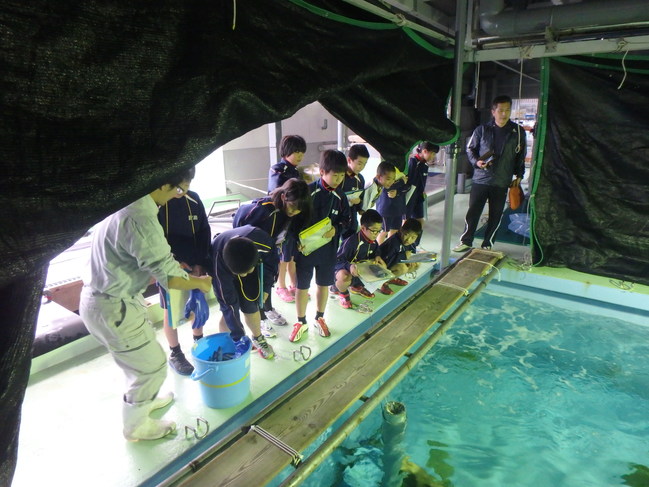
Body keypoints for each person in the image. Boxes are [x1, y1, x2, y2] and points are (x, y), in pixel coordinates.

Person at [79, 167, 213, 442]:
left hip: (110, 300)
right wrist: (200, 283)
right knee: (151, 366)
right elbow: (172, 278)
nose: (179, 197)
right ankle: (136, 427)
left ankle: (143, 401)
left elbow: (152, 258)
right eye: (178, 190)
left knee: (137, 363)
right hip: (113, 306)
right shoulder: (140, 216)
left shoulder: (130, 201)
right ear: (164, 182)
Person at [232, 178, 311, 337]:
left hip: (270, 253)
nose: (294, 212)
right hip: (251, 254)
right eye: (293, 206)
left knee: (267, 285)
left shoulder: (288, 212)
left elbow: (286, 232)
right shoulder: (262, 211)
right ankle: (259, 320)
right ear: (284, 197)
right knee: (255, 288)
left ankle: (267, 310)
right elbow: (239, 229)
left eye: (298, 210)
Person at [290, 149, 351, 342]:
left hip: (328, 250)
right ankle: (300, 321)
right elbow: (293, 220)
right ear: (322, 171)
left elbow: (347, 221)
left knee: (323, 284)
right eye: (335, 175)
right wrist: (295, 243)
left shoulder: (341, 196)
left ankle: (320, 317)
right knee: (302, 286)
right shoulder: (308, 192)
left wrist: (337, 228)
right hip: (306, 251)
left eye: (342, 175)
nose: (338, 179)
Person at [453, 95, 526, 252]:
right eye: (500, 110)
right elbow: (470, 149)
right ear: (493, 112)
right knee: (473, 212)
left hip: (502, 180)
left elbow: (520, 155)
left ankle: (488, 243)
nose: (504, 114)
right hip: (481, 179)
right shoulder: (482, 130)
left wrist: (519, 175)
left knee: (496, 214)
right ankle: (466, 241)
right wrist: (477, 162)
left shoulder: (518, 132)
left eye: (507, 110)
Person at [157, 189, 211, 376]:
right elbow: (157, 240)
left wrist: (200, 262)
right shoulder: (160, 203)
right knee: (170, 309)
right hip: (170, 265)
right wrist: (174, 262)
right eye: (179, 185)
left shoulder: (194, 198)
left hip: (195, 263)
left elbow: (204, 230)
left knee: (197, 303)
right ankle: (175, 353)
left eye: (187, 183)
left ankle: (199, 342)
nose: (183, 189)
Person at [210, 225, 278, 359]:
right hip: (223, 270)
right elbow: (228, 303)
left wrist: (266, 288)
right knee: (229, 310)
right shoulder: (218, 261)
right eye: (240, 274)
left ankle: (258, 338)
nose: (244, 276)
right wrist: (239, 337)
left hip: (247, 259)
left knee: (251, 304)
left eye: (247, 271)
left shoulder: (264, 243)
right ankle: (230, 343)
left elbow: (272, 266)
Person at [268, 135, 307, 303]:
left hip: (294, 220)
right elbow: (274, 193)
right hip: (282, 220)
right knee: (283, 257)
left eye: (302, 152)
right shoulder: (278, 169)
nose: (300, 156)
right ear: (286, 151)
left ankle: (294, 284)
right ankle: (281, 286)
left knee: (291, 255)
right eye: (297, 151)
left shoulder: (295, 171)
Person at [330, 209, 386, 308]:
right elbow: (336, 261)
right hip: (345, 272)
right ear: (363, 228)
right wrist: (349, 266)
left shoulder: (373, 241)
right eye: (374, 231)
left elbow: (376, 251)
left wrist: (378, 257)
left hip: (359, 272)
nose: (376, 234)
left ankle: (357, 286)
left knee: (382, 266)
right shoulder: (351, 242)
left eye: (379, 231)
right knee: (344, 277)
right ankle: (342, 292)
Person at [404, 142, 439, 243]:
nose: (434, 156)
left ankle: (414, 245)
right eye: (432, 153)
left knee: (420, 221)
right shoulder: (412, 162)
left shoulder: (424, 165)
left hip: (418, 197)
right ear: (424, 151)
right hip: (409, 197)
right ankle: (402, 245)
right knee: (404, 222)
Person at [377, 218, 423, 296]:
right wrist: (404, 256)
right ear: (401, 230)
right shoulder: (393, 242)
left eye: (413, 237)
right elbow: (387, 262)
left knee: (417, 263)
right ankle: (381, 283)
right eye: (406, 234)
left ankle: (392, 279)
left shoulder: (411, 243)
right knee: (402, 268)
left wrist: (411, 260)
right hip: (379, 268)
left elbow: (412, 254)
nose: (408, 239)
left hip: (392, 264)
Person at [340, 144, 370, 241]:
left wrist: (360, 203)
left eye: (365, 164)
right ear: (349, 160)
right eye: (359, 163)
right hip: (339, 220)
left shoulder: (360, 179)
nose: (362, 167)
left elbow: (360, 202)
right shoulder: (340, 176)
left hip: (352, 220)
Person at [376, 164, 409, 245]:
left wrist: (398, 191)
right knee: (384, 231)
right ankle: (377, 250)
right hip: (385, 212)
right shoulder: (381, 181)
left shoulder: (399, 175)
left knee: (394, 230)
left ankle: (389, 249)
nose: (391, 182)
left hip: (397, 209)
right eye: (388, 179)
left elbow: (407, 187)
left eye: (393, 179)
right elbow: (387, 187)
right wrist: (401, 181)